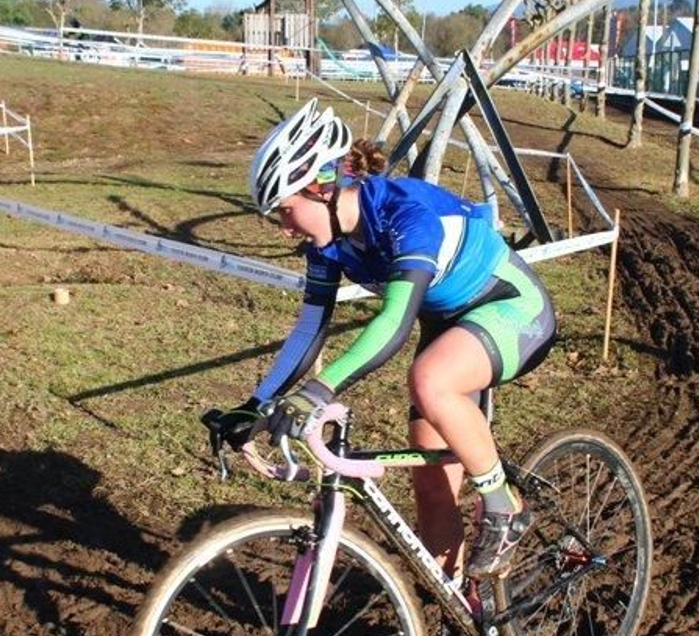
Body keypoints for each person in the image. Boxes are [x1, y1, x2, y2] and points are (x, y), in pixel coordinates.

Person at [216, 99, 557, 603]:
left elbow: (394, 321)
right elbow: (312, 325)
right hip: (446, 327)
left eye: (286, 211)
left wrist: (321, 388)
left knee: (431, 379)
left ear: (322, 187)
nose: (284, 229)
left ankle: (504, 507)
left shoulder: (406, 216)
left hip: (511, 308)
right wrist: (257, 401)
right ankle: (459, 621)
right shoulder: (328, 245)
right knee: (431, 488)